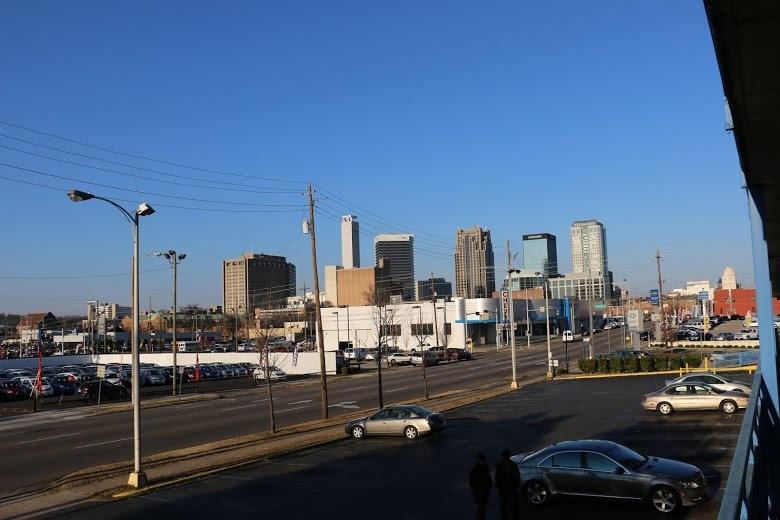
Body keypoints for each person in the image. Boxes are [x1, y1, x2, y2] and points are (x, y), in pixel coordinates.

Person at [495, 450, 521, 519]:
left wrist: (498, 485)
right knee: (513, 506)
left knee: (504, 505)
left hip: (503, 488)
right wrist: (516, 486)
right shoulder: (513, 465)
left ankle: (505, 517)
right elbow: (517, 477)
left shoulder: (500, 464)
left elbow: (497, 476)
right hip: (511, 488)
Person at [469, 453, 492, 520]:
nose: (483, 461)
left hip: (485, 492)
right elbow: (471, 482)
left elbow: (488, 477)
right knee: (480, 509)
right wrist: (475, 493)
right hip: (479, 492)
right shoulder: (475, 469)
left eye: (483, 460)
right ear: (478, 460)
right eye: (481, 460)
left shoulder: (485, 467)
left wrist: (489, 485)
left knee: (483, 509)